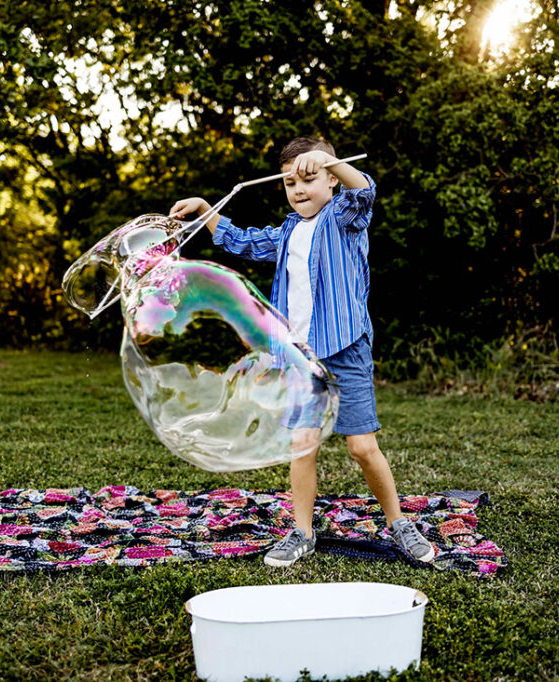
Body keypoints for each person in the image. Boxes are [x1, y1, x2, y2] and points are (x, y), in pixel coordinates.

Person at [169, 137, 435, 567]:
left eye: (310, 178)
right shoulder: (289, 229)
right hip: (301, 357)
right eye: (290, 182)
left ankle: (400, 524)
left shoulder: (343, 217)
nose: (298, 189)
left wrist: (332, 160)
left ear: (331, 178)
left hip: (345, 350)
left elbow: (364, 191)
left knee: (362, 448)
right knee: (302, 445)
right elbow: (243, 242)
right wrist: (205, 208)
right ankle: (302, 533)